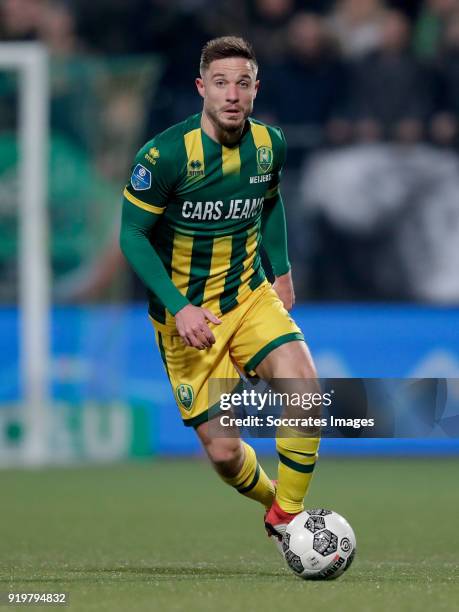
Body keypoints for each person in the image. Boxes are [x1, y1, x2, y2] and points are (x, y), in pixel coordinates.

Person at [119, 36, 320, 551]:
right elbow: (132, 236)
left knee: (306, 389)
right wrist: (179, 306)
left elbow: (270, 201)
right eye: (221, 83)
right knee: (226, 454)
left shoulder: (270, 143)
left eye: (243, 83)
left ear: (256, 90)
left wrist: (283, 272)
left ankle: (290, 517)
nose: (232, 94)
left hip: (249, 295)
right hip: (188, 319)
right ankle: (278, 504)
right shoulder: (163, 155)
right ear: (201, 89)